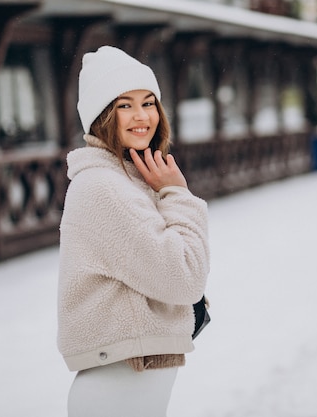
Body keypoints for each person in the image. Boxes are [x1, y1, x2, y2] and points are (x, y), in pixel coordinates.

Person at [57, 45, 211, 417]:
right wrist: (178, 195)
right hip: (117, 384)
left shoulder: (127, 179)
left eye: (149, 102)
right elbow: (185, 277)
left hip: (130, 380)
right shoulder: (103, 188)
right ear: (101, 115)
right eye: (124, 105)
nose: (142, 116)